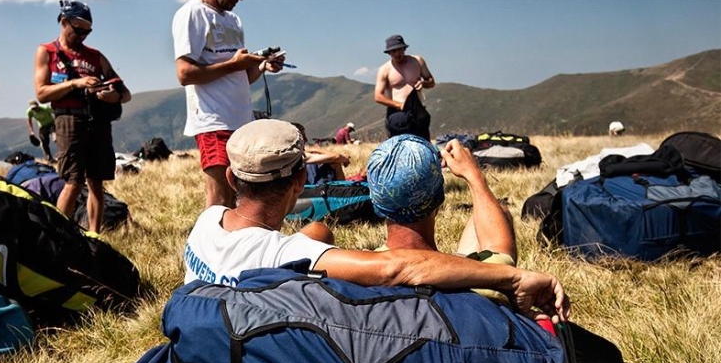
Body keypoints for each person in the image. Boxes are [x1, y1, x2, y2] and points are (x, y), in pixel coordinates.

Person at [183, 119, 570, 323]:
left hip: (221, 353)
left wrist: (317, 234)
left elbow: (300, 244)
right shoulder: (290, 256)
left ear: (231, 179)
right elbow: (397, 268)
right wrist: (474, 178)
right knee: (493, 239)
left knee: (317, 229)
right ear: (301, 180)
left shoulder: (207, 223)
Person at [367, 133, 517, 303]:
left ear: (377, 206)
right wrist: (474, 176)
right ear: (439, 199)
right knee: (501, 211)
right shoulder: (489, 279)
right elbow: (499, 248)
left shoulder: (356, 273)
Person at [172, 0, 285, 209]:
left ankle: (229, 241)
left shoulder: (234, 20)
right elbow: (184, 74)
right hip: (213, 119)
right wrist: (234, 64)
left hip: (241, 121)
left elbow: (241, 76)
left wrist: (262, 66)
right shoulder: (192, 13)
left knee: (238, 198)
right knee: (220, 200)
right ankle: (205, 242)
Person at [33, 0, 131, 234]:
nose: (83, 35)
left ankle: (93, 235)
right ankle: (58, 235)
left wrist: (112, 97)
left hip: (96, 122)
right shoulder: (47, 51)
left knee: (96, 182)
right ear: (64, 22)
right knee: (73, 181)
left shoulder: (96, 57)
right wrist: (76, 83)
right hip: (68, 120)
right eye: (78, 30)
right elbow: (41, 93)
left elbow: (125, 93)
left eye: (88, 31)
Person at [374, 35, 435, 141]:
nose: (397, 54)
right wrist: (399, 105)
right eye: (393, 51)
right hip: (397, 111)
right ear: (389, 53)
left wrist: (424, 83)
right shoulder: (385, 69)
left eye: (399, 50)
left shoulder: (417, 61)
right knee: (399, 144)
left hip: (417, 109)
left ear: (404, 48)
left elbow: (431, 82)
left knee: (423, 143)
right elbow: (378, 96)